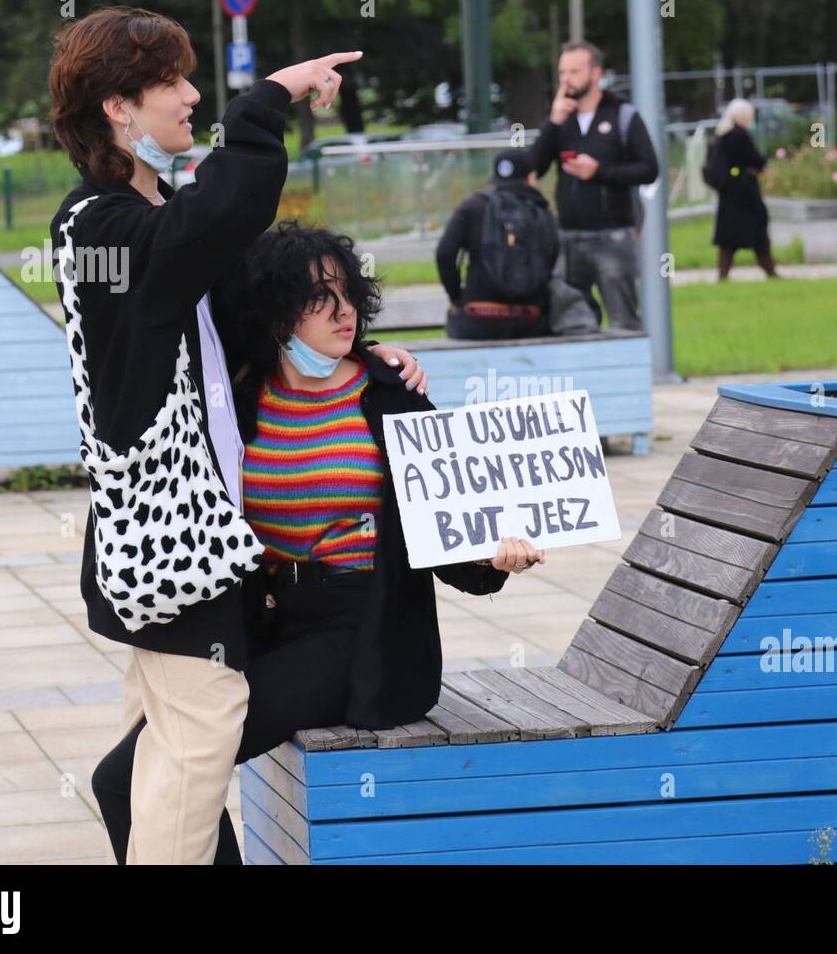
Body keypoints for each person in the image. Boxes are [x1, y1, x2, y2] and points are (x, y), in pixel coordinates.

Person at [48, 5, 425, 865]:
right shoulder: (99, 227)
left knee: (148, 766)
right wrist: (266, 104)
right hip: (170, 548)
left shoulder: (153, 215)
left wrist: (363, 355)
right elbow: (215, 221)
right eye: (172, 85)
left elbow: (247, 323)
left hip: (209, 547)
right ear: (117, 107)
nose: (191, 98)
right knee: (192, 751)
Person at [90, 220, 545, 864]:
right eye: (316, 297)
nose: (343, 310)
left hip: (360, 631)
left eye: (347, 291)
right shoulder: (241, 400)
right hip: (265, 625)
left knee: (167, 764)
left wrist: (493, 556)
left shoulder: (389, 395)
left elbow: (449, 529)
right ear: (275, 314)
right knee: (120, 778)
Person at [528, 40, 659, 331]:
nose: (566, 79)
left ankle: (627, 373)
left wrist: (599, 171)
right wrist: (552, 123)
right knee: (571, 321)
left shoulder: (623, 115)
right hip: (568, 236)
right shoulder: (561, 120)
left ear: (595, 73)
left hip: (612, 236)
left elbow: (650, 169)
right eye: (562, 72)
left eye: (574, 71)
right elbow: (534, 167)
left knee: (623, 320)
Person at [435, 148, 559, 340]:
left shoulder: (472, 206)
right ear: (531, 177)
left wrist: (456, 297)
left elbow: (445, 253)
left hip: (479, 319)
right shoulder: (543, 214)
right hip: (531, 321)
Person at [708, 98, 778, 280]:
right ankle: (769, 270)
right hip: (744, 192)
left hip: (728, 194)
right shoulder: (738, 135)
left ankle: (723, 275)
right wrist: (761, 164)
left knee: (728, 238)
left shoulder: (721, 135)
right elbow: (753, 159)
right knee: (758, 230)